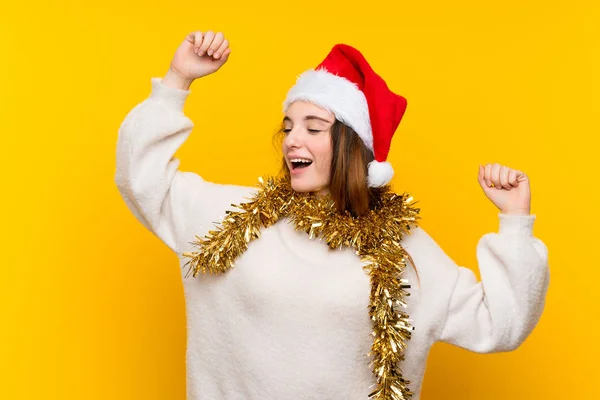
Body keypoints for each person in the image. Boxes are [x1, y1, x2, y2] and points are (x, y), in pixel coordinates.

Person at [114, 30, 550, 400]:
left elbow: (501, 323)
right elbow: (143, 179)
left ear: (350, 146)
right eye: (287, 126)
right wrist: (177, 80)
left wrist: (515, 223)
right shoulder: (234, 217)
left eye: (313, 127)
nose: (291, 140)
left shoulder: (405, 253)